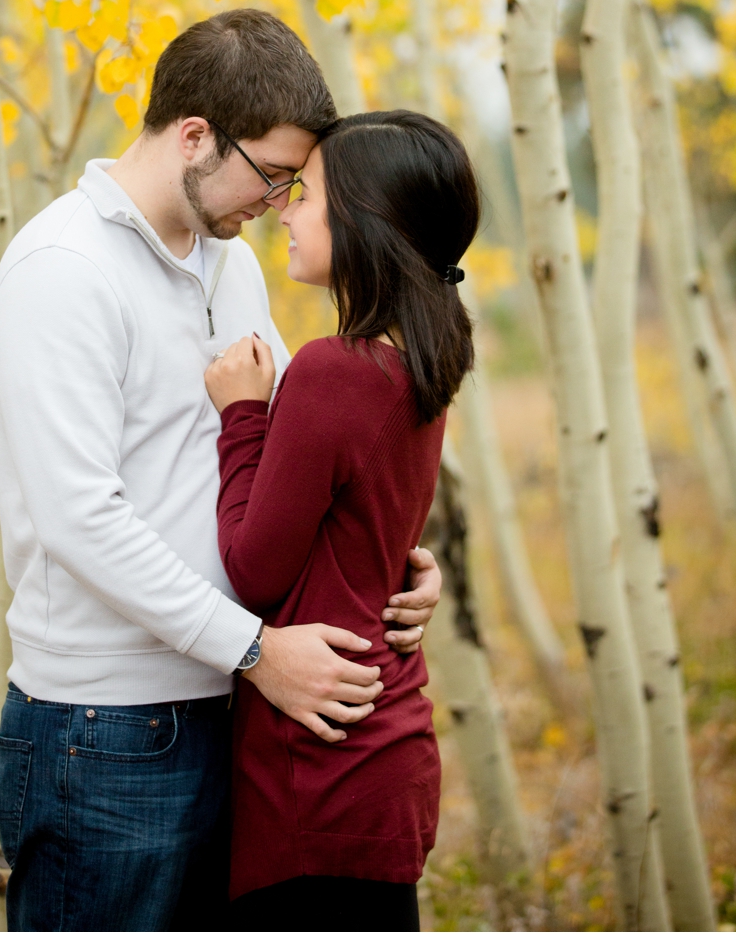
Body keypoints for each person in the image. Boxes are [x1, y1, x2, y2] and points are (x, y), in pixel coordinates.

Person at [0, 11, 443, 930]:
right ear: (194, 135)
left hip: (233, 712)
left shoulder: (228, 267)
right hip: (104, 734)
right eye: (273, 175)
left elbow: (287, 463)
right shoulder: (60, 269)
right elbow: (81, 517)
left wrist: (389, 554)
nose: (278, 206)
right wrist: (255, 649)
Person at [206, 110, 479, 930]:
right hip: (382, 754)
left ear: (366, 223)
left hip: (320, 769)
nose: (284, 209)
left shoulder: (334, 371)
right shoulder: (414, 365)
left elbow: (253, 571)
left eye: (308, 194)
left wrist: (243, 416)